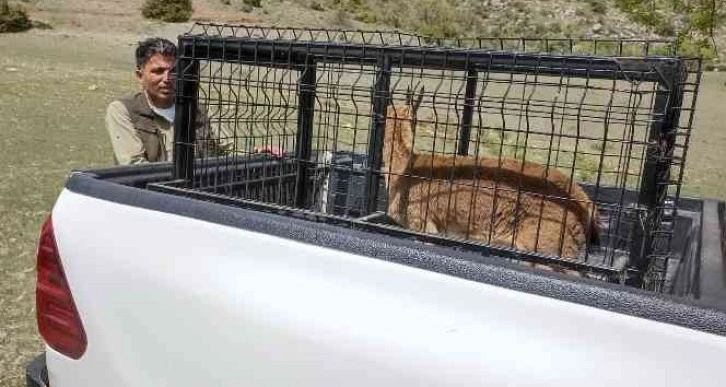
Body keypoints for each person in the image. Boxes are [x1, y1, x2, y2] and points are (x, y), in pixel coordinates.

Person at [105, 37, 278, 165]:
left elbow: (229, 152)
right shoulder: (124, 111)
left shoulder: (200, 111)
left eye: (173, 71)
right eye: (158, 71)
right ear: (140, 76)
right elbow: (134, 166)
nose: (167, 78)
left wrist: (256, 155)